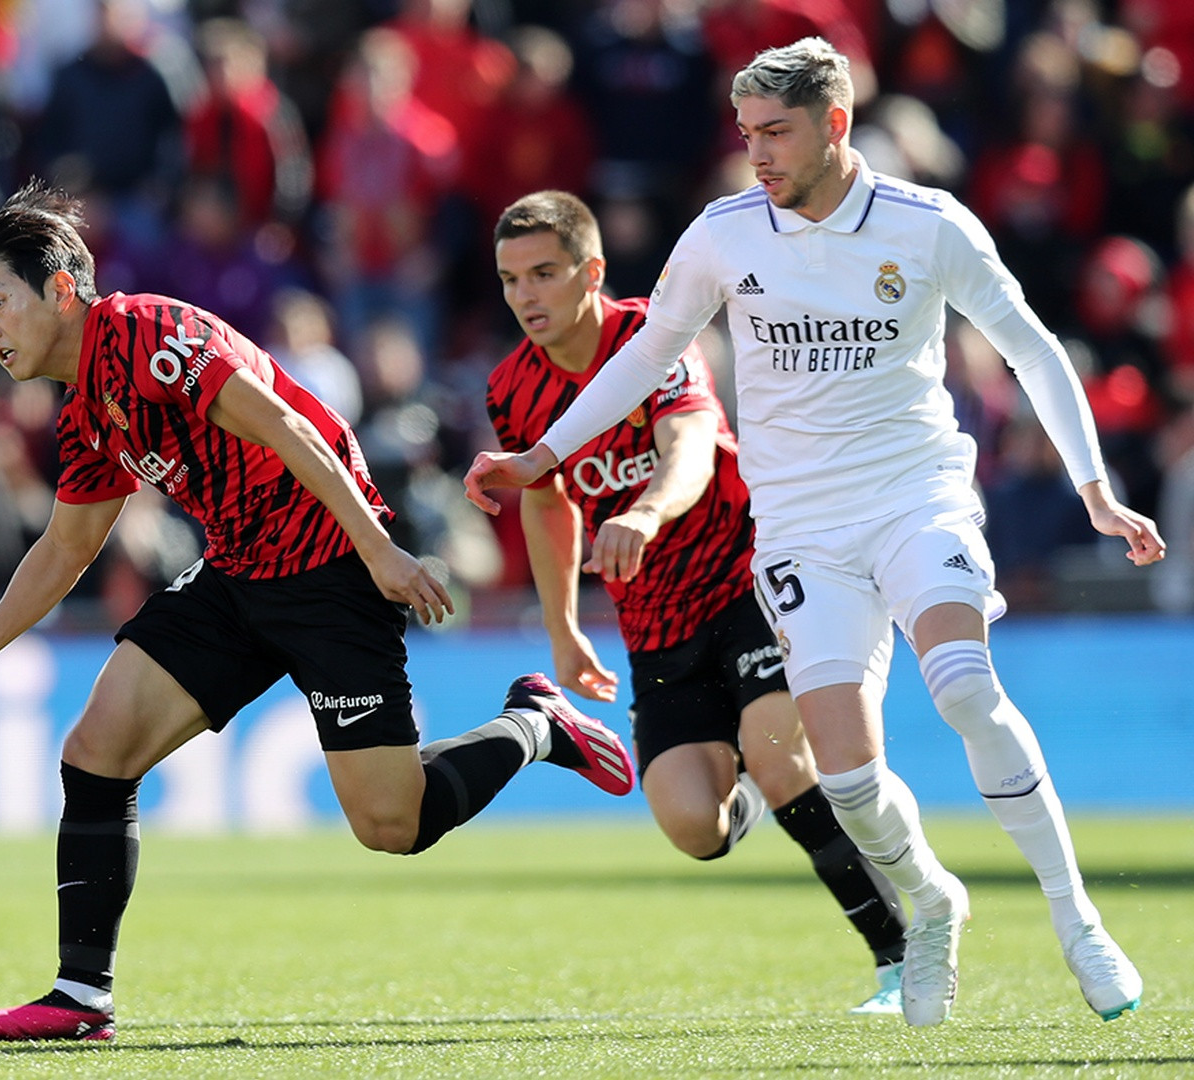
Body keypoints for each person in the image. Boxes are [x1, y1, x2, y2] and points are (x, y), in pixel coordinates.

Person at [465, 38, 1162, 1028]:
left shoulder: (928, 227)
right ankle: (930, 901)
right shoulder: (723, 235)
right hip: (800, 531)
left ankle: (1076, 918)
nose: (758, 154)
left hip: (916, 497)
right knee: (844, 775)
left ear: (836, 125)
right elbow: (645, 356)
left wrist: (1094, 486)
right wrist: (544, 454)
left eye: (777, 132)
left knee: (965, 686)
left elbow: (1033, 350)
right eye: (747, 133)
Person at [0, 180, 637, 1042]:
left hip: (331, 565)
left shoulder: (151, 333)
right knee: (97, 749)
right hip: (236, 575)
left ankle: (534, 725)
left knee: (391, 824)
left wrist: (377, 548)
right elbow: (68, 547)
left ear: (62, 289)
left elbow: (287, 428)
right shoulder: (86, 411)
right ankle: (80, 998)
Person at [486, 189, 909, 1013]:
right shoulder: (512, 388)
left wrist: (644, 512)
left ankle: (899, 952)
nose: (525, 297)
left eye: (543, 273)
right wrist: (563, 626)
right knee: (693, 828)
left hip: (747, 575)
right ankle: (765, 778)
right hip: (656, 624)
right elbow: (546, 497)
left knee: (782, 751)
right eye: (509, 280)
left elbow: (691, 449)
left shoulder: (655, 332)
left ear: (592, 273)